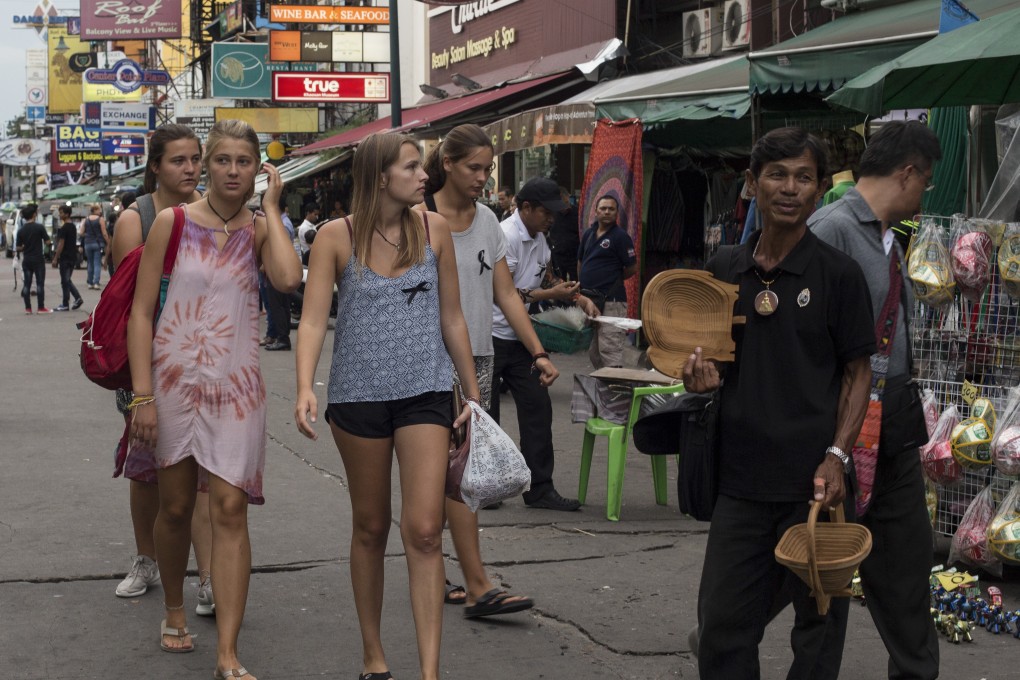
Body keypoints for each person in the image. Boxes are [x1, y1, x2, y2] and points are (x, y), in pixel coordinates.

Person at [684, 127, 875, 679]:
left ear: (819, 189)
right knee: (722, 630)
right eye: (777, 175)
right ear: (751, 183)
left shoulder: (838, 275)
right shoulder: (724, 268)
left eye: (803, 177)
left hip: (816, 485)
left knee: (818, 633)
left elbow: (858, 373)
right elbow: (710, 364)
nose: (790, 188)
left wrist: (837, 457)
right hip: (740, 482)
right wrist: (699, 378)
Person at [295, 132, 480, 680]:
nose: (424, 176)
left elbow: (452, 317)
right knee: (371, 527)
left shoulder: (434, 229)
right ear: (380, 177)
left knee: (424, 530)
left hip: (426, 392)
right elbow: (312, 319)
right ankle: (374, 657)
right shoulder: (336, 236)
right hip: (357, 397)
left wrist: (473, 394)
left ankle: (429, 672)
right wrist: (305, 385)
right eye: (411, 167)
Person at [127, 120, 301, 680]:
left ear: (258, 170)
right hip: (173, 384)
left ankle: (228, 651)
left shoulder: (260, 229)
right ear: (206, 165)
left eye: (244, 162)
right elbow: (140, 314)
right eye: (222, 160)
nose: (232, 171)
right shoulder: (173, 223)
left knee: (229, 509)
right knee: (177, 508)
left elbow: (288, 279)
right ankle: (175, 608)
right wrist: (141, 397)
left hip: (237, 388)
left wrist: (271, 208)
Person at [809, 120, 942, 680]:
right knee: (826, 565)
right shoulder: (832, 228)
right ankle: (728, 630)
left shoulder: (888, 236)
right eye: (926, 181)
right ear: (907, 173)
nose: (924, 194)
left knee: (907, 560)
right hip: (845, 425)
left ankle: (916, 672)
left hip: (893, 426)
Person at [419, 123, 549, 616]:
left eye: (487, 169)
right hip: (427, 359)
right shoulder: (418, 217)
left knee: (454, 471)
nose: (482, 177)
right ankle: (476, 584)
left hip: (477, 357)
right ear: (447, 164)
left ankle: (446, 576)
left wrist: (538, 352)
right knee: (453, 471)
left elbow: (506, 293)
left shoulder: (489, 220)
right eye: (473, 168)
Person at [111, 124, 216, 613]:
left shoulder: (213, 211)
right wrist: (142, 389)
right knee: (149, 467)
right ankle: (146, 559)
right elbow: (129, 304)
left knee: (204, 471)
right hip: (149, 363)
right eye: (178, 160)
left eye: (195, 159)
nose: (190, 169)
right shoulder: (137, 219)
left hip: (206, 360)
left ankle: (209, 576)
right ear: (156, 166)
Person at [492, 177, 600, 511]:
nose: (551, 219)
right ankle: (487, 487)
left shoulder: (540, 238)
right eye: (546, 212)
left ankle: (539, 488)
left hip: (521, 337)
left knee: (538, 408)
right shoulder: (505, 235)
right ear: (526, 208)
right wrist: (550, 294)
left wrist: (578, 298)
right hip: (488, 337)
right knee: (486, 415)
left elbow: (548, 276)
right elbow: (503, 292)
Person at [577, 194, 637, 369]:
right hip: (590, 301)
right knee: (595, 353)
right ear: (596, 211)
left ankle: (615, 386)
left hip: (612, 301)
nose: (607, 212)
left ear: (617, 213)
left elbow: (632, 268)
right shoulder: (589, 234)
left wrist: (611, 280)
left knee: (610, 351)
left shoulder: (620, 237)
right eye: (603, 208)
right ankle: (604, 385)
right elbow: (580, 262)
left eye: (611, 209)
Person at [263, 200, 300, 352]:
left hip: (278, 269)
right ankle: (282, 337)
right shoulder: (284, 222)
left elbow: (278, 249)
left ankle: (282, 338)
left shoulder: (281, 225)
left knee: (277, 306)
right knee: (282, 305)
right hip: (280, 269)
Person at [15, 204, 52, 314]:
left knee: (27, 284)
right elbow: (48, 241)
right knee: (40, 284)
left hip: (27, 260)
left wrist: (25, 247)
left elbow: (18, 247)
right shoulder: (39, 227)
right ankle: (40, 307)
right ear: (34, 215)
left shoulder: (21, 230)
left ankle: (28, 308)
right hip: (38, 259)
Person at [51, 205, 84, 311]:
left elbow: (61, 244)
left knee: (65, 281)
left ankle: (75, 299)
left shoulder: (64, 228)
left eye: (61, 213)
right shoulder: (73, 226)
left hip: (65, 257)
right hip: (72, 256)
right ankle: (67, 302)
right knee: (66, 280)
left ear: (67, 214)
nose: (60, 215)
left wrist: (56, 257)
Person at [549, 186, 580, 282]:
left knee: (575, 281)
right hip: (558, 255)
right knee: (559, 281)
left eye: (566, 202)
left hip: (574, 255)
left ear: (568, 197)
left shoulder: (577, 213)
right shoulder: (552, 214)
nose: (565, 206)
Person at [80, 203, 109, 289]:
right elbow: (104, 233)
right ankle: (96, 282)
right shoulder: (100, 219)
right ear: (95, 210)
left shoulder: (86, 219)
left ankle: (90, 282)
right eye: (99, 210)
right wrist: (108, 242)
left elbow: (81, 232)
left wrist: (88, 235)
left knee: (90, 263)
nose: (100, 211)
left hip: (87, 243)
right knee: (97, 263)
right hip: (97, 244)